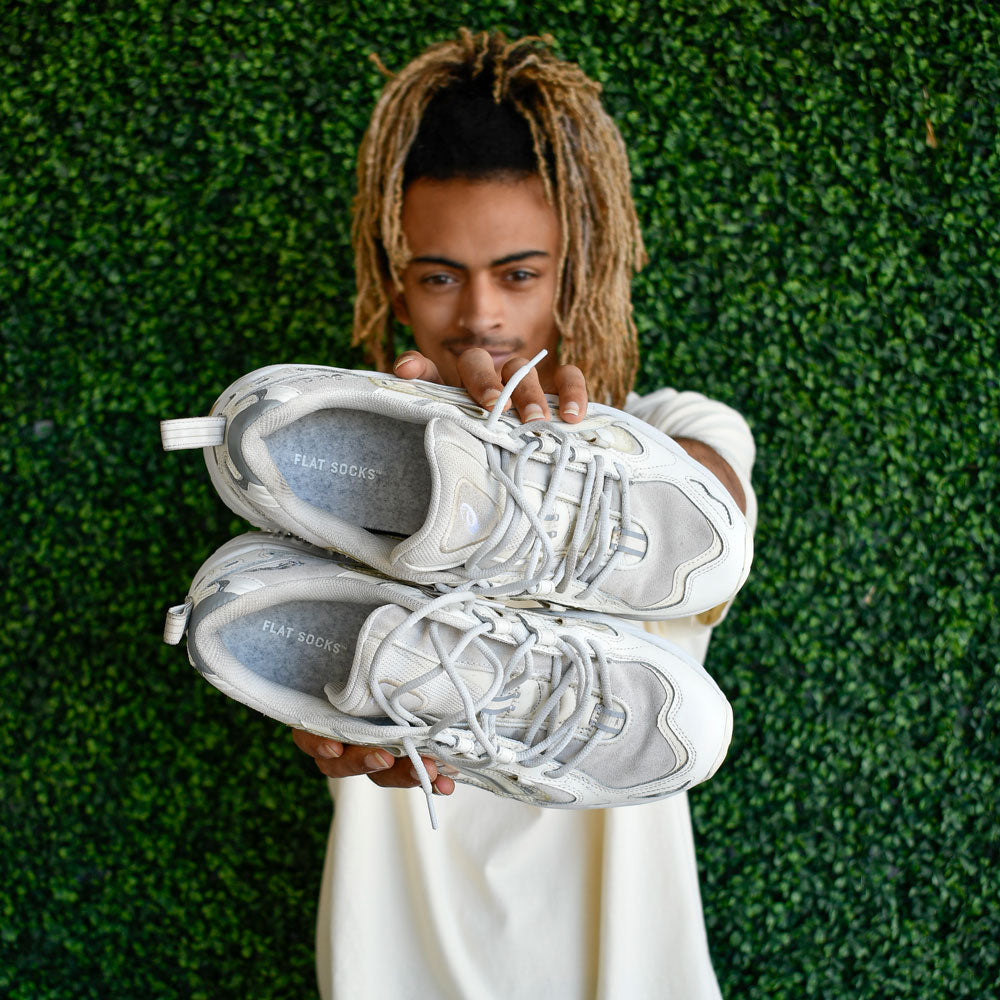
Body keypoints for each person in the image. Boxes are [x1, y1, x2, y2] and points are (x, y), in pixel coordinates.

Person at [292, 29, 757, 999]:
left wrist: (552, 468)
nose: (478, 319)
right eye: (437, 275)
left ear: (577, 269)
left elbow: (714, 513)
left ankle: (550, 513)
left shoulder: (672, 433)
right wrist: (319, 709)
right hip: (399, 964)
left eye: (517, 273)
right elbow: (309, 668)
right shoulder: (329, 473)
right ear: (396, 281)